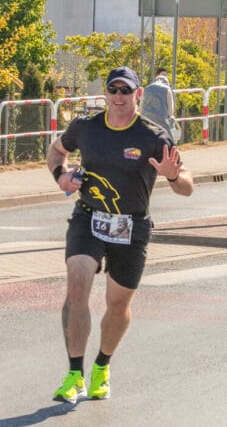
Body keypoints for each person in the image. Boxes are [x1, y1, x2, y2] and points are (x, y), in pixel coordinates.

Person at [48, 66, 194, 404]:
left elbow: (187, 186)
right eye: (113, 90)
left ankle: (102, 365)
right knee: (77, 282)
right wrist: (61, 176)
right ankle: (73, 373)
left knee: (117, 304)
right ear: (105, 94)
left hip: (132, 225)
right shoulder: (85, 128)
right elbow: (56, 152)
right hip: (88, 218)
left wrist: (173, 177)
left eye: (125, 91)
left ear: (137, 95)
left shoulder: (153, 137)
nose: (118, 97)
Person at [139, 67, 178, 140]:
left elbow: (141, 106)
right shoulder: (167, 89)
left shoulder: (147, 88)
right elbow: (170, 109)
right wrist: (170, 117)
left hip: (146, 119)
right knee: (168, 139)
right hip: (161, 119)